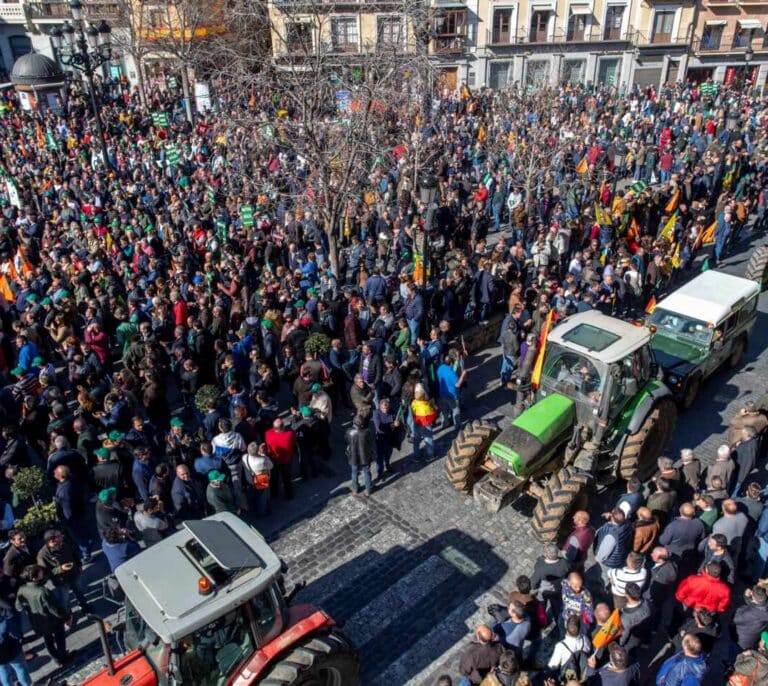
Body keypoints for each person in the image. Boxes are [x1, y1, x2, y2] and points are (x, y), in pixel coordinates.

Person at [15, 564, 71, 665]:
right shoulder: (42, 591)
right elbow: (54, 609)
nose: (42, 573)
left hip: (37, 621)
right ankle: (63, 657)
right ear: (34, 578)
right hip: (52, 620)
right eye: (40, 573)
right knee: (60, 638)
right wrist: (66, 617)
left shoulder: (22, 589)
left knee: (48, 640)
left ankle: (56, 658)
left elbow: (18, 606)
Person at [36, 529, 91, 616]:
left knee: (79, 591)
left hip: (74, 574)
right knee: (64, 600)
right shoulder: (42, 555)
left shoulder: (64, 543)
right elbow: (45, 573)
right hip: (61, 581)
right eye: (59, 536)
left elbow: (74, 554)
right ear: (51, 540)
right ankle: (68, 615)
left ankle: (84, 606)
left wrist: (79, 565)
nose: (62, 536)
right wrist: (60, 569)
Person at [265, 418, 296, 500]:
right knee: (286, 478)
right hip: (286, 460)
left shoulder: (268, 433)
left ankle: (274, 493)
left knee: (274, 478)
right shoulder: (290, 434)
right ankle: (288, 495)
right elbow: (293, 444)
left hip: (274, 460)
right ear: (283, 427)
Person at [0, 604, 31, 686]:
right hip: (12, 651)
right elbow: (16, 634)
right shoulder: (5, 620)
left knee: (4, 674)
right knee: (20, 669)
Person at [346, 414, 375, 497]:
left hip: (353, 456)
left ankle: (355, 489)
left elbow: (346, 441)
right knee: (367, 472)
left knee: (354, 473)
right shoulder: (367, 432)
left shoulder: (349, 431)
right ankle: (368, 490)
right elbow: (370, 442)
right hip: (365, 456)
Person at [733, 586, 768, 652]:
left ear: (752, 595)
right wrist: (747, 597)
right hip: (756, 633)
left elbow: (736, 619)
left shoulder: (749, 614)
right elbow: (756, 605)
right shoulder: (764, 605)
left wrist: (741, 607)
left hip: (744, 640)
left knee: (737, 650)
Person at [242, 442, 273, 516]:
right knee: (262, 497)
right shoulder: (262, 460)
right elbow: (271, 466)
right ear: (257, 451)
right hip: (261, 481)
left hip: (250, 480)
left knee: (253, 495)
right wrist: (263, 454)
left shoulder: (244, 457)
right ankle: (262, 512)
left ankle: (253, 508)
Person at [411, 383, 438, 461]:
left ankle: (417, 457)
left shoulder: (413, 403)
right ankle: (430, 456)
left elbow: (412, 413)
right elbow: (434, 414)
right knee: (428, 440)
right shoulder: (427, 405)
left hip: (416, 424)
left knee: (416, 442)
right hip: (426, 425)